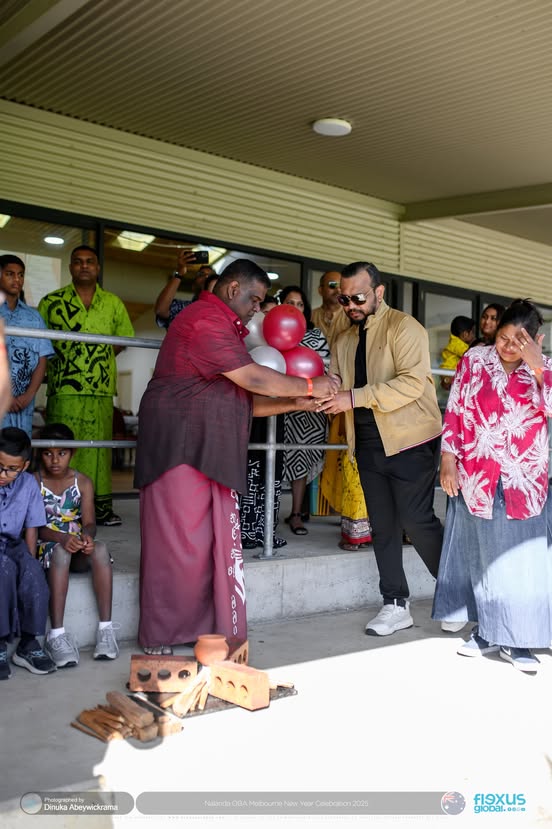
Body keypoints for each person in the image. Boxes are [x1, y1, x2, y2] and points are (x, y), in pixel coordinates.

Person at [134, 259, 339, 655]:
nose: (257, 310)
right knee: (177, 544)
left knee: (207, 545)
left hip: (208, 446)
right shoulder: (204, 320)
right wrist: (313, 384)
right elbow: (255, 378)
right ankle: (163, 633)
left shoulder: (224, 327)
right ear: (232, 290)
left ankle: (203, 631)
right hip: (180, 446)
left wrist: (297, 402)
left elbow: (243, 400)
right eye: (255, 300)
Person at [320, 261, 444, 636]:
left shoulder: (404, 327)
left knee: (416, 521)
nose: (351, 305)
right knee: (384, 527)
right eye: (344, 298)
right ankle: (394, 603)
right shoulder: (344, 337)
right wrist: (326, 388)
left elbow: (410, 383)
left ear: (379, 292)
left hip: (411, 439)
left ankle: (457, 592)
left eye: (358, 297)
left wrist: (353, 396)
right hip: (367, 443)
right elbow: (340, 381)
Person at [433, 299, 552, 672]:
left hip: (525, 478)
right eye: (503, 337)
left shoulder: (544, 369)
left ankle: (519, 641)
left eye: (520, 340)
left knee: (521, 560)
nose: (509, 346)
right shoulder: (474, 360)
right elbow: (456, 410)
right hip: (478, 472)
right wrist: (448, 459)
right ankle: (487, 630)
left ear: (537, 339)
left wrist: (537, 366)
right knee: (482, 556)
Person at [38, 245, 134, 526]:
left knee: (98, 450)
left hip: (101, 388)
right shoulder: (51, 301)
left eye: (89, 261)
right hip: (64, 388)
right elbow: (41, 343)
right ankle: (59, 511)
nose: (84, 266)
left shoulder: (113, 303)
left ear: (97, 267)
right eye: (77, 262)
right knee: (63, 449)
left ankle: (100, 510)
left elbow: (124, 338)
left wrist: (95, 361)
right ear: (70, 267)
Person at [35, 423, 118, 668]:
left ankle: (106, 630)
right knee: (61, 552)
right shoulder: (33, 482)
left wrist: (87, 538)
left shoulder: (82, 482)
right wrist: (61, 538)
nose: (54, 460)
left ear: (73, 453)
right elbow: (34, 527)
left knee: (101, 549)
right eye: (48, 453)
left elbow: (90, 522)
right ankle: (56, 635)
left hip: (75, 545)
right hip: (48, 547)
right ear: (40, 453)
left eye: (62, 453)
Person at [0, 427, 56, 679]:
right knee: (4, 570)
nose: (3, 474)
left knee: (33, 573)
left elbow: (32, 528)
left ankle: (28, 645)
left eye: (11, 469)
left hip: (14, 543)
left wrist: (30, 563)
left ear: (23, 466)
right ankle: (0, 644)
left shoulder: (29, 485)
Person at [280, 285, 330, 536]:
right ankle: (263, 514)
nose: (295, 308)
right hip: (277, 405)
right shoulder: (272, 331)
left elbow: (324, 366)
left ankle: (296, 513)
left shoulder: (315, 335)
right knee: (272, 458)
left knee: (300, 461)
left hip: (307, 409)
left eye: (300, 304)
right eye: (290, 302)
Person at [240, 294, 286, 550]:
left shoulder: (286, 349)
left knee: (272, 471)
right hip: (249, 409)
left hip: (278, 409)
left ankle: (267, 530)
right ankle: (245, 531)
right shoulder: (246, 345)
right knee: (250, 470)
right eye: (266, 314)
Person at [0, 255, 55, 436]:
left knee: (19, 456)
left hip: (23, 406)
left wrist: (29, 395)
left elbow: (42, 359)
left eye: (21, 275)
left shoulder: (34, 317)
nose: (17, 279)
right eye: (10, 274)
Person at [154, 249, 217, 329]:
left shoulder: (224, 309)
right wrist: (179, 273)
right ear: (193, 286)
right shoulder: (184, 308)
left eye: (211, 275)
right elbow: (161, 310)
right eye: (201, 274)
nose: (206, 277)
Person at [311, 271, 350, 348]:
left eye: (341, 286)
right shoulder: (310, 317)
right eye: (332, 285)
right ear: (320, 290)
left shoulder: (351, 317)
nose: (338, 290)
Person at [439, 315, 475, 391]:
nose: (473, 336)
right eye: (472, 333)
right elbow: (470, 355)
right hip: (449, 372)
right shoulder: (458, 344)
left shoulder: (453, 342)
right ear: (465, 334)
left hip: (447, 372)